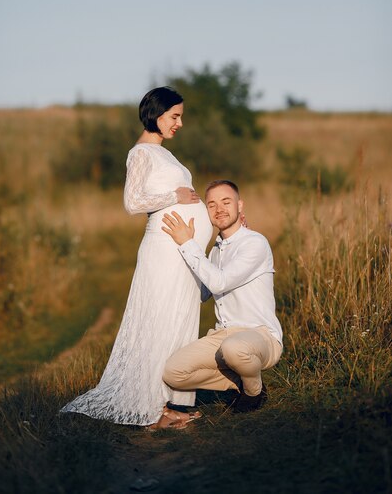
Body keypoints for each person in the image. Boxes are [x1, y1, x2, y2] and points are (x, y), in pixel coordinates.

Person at [60, 87, 213, 429]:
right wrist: (174, 194)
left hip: (181, 250)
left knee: (178, 320)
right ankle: (151, 408)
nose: (180, 123)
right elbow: (132, 201)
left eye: (181, 116)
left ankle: (171, 401)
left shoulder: (166, 154)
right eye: (175, 116)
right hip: (163, 251)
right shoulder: (141, 152)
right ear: (155, 115)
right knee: (158, 320)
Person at [161, 179, 283, 413]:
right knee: (173, 372)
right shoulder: (216, 251)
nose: (219, 210)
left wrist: (187, 243)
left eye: (226, 202)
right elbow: (203, 293)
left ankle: (254, 392)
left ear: (240, 206)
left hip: (260, 335)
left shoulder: (255, 243)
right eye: (212, 205)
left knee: (234, 348)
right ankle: (240, 382)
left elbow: (219, 282)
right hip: (223, 336)